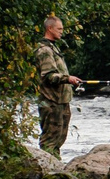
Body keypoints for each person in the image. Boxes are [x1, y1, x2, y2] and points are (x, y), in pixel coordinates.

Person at [35, 14, 83, 156]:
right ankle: (48, 170)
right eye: (59, 29)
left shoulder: (53, 48)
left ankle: (56, 168)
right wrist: (68, 79)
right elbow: (49, 76)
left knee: (60, 139)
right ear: (50, 28)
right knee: (50, 140)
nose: (62, 31)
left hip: (62, 101)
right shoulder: (44, 50)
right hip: (51, 101)